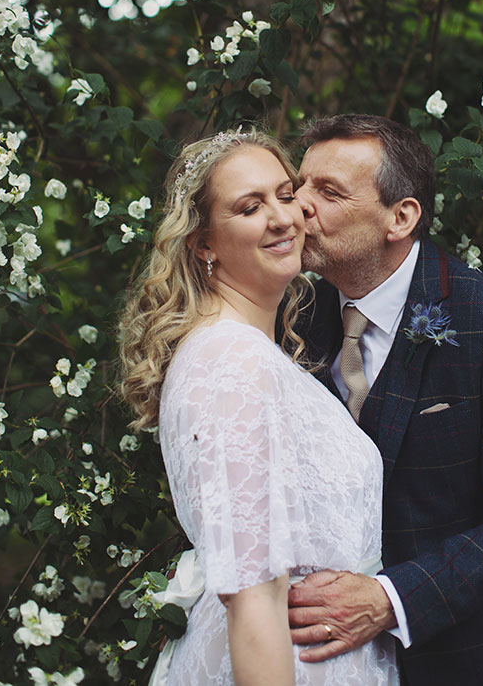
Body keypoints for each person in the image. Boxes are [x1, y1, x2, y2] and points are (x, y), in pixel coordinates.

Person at [287, 113, 483, 686]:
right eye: (300, 187)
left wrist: (391, 600)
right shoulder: (295, 318)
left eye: (329, 192)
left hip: (481, 660)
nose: (298, 207)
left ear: (401, 216)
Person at [118, 128, 399, 686]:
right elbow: (252, 595)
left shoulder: (254, 355)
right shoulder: (230, 364)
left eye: (286, 193)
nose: (282, 218)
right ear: (203, 243)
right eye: (250, 207)